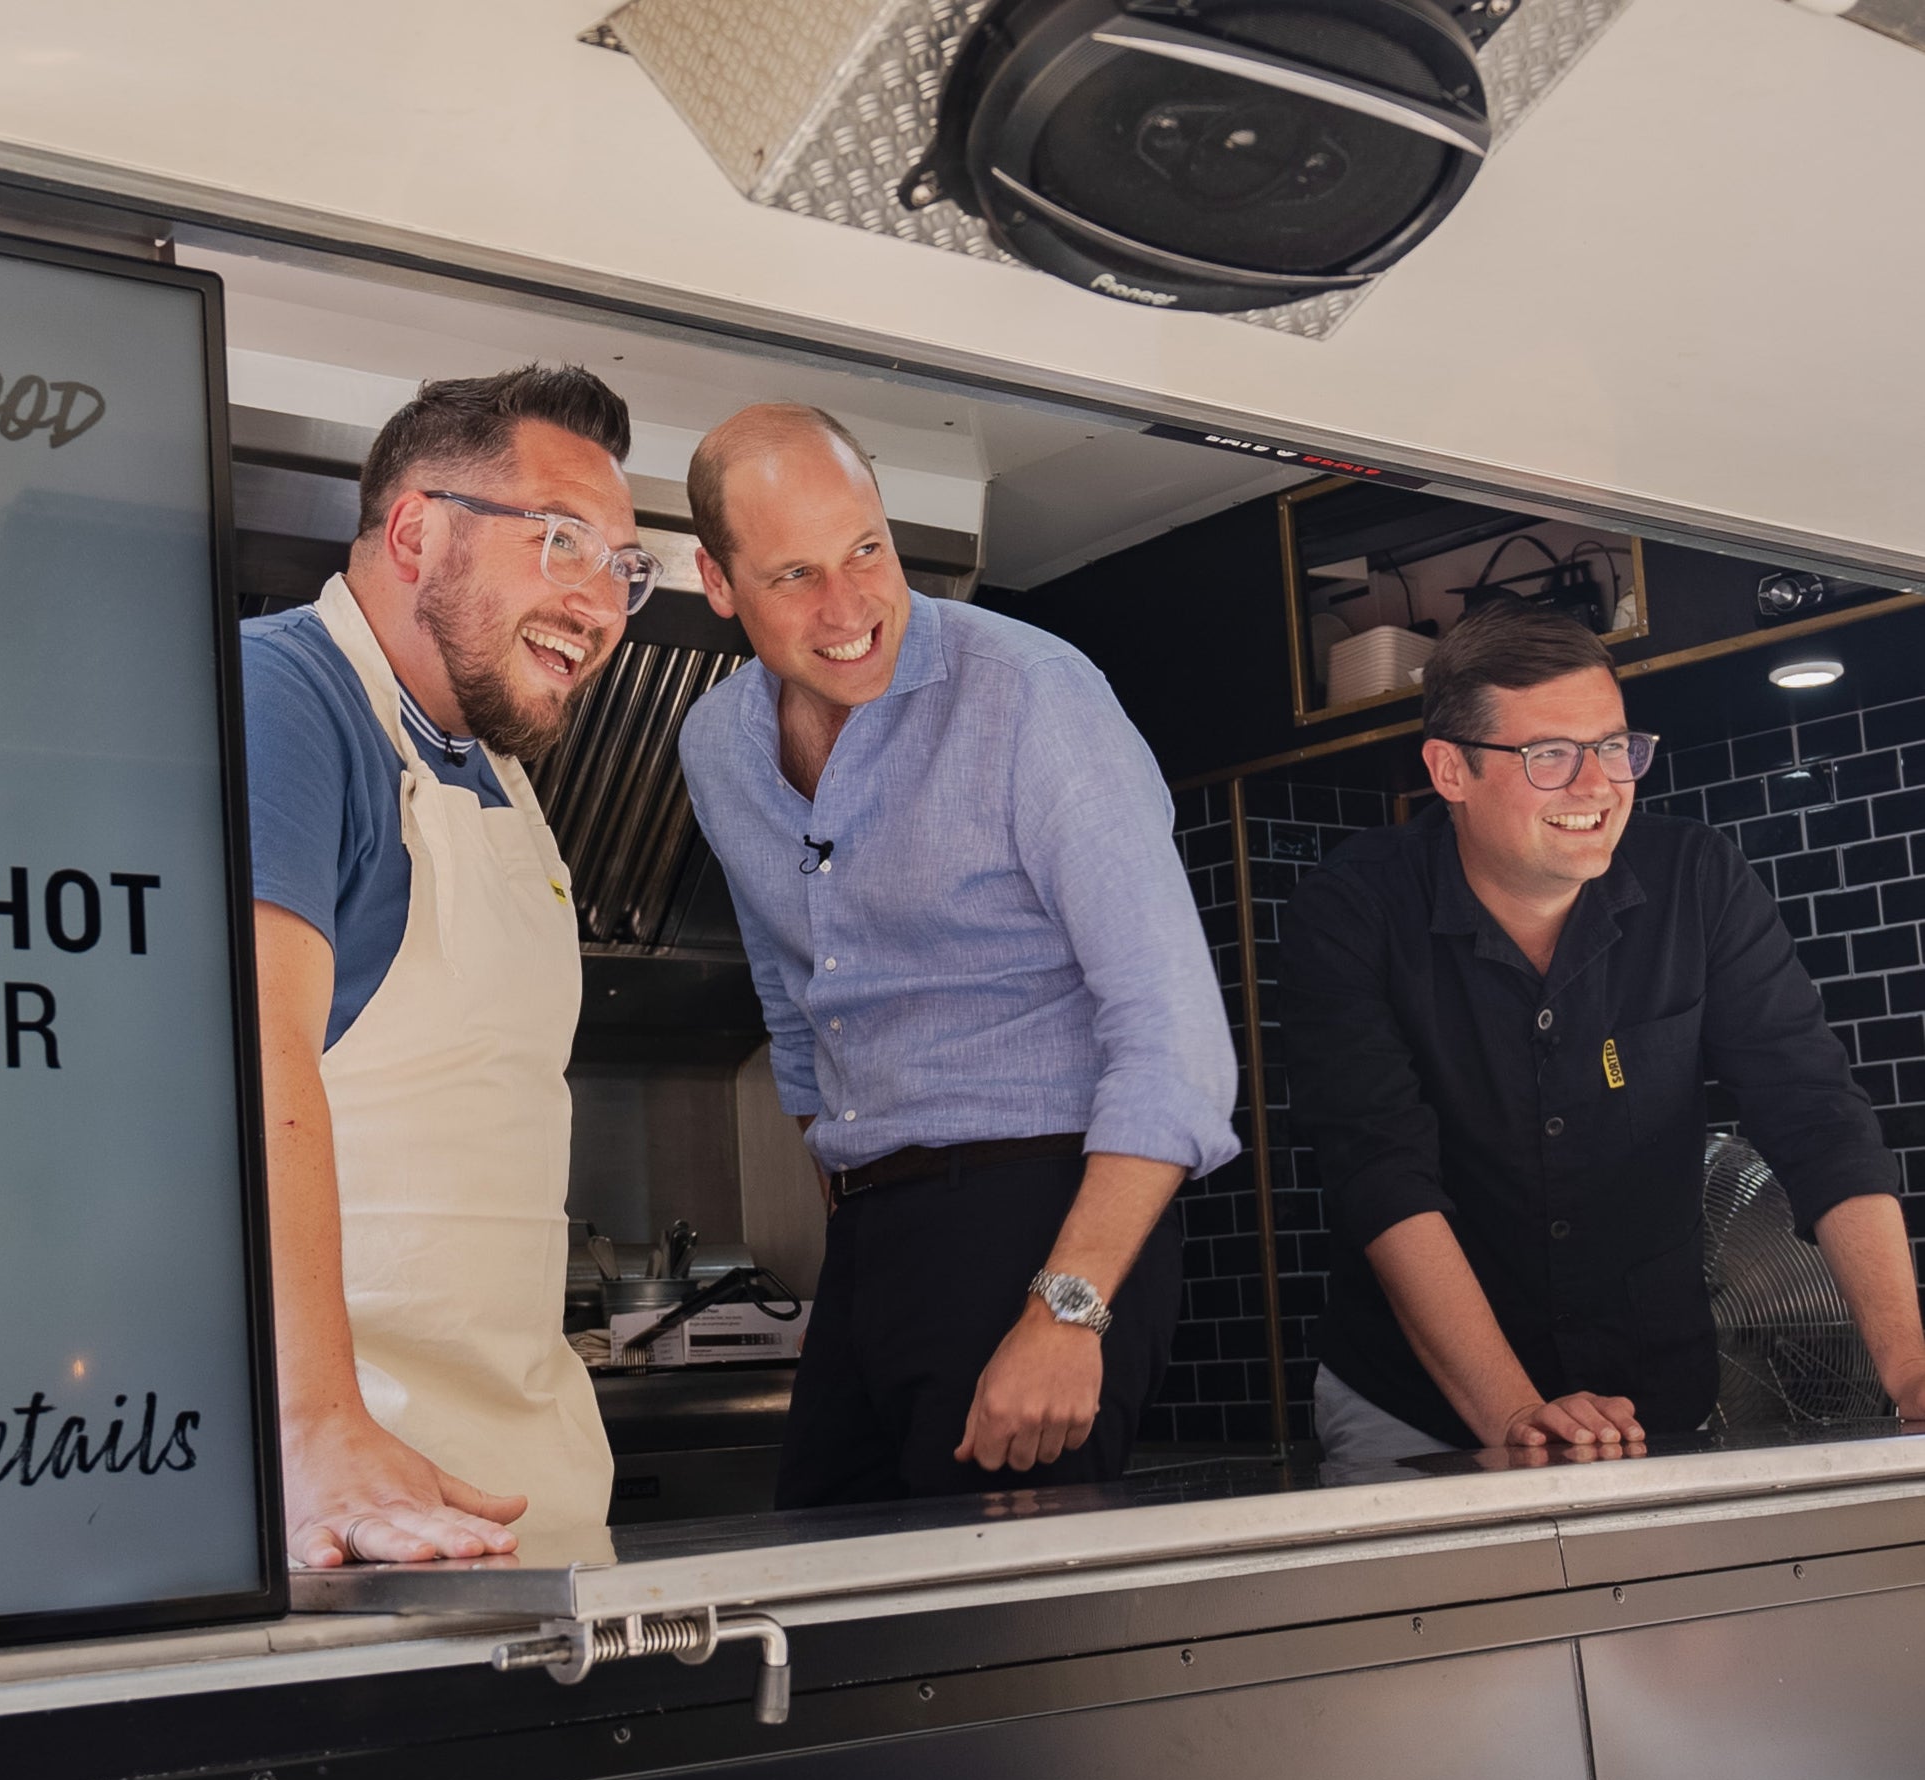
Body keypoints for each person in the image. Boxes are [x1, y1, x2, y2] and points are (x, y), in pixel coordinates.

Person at [674, 403, 1238, 1507]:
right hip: (873, 1234)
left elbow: (1178, 1043)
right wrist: (850, 1209)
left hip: (1048, 1215)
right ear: (717, 580)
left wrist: (1065, 1310)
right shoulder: (715, 744)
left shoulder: (1034, 694)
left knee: (995, 1649)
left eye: (866, 550)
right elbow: (798, 1007)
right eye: (794, 575)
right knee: (832, 1602)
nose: (849, 610)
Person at [1281, 604, 1925, 1470]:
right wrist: (1514, 1414)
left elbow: (1816, 1117)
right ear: (1450, 770)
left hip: (1655, 1398)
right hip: (1414, 1408)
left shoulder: (1696, 880)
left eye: (1615, 747)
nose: (1598, 785)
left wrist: (1914, 1371)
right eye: (1550, 755)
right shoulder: (1352, 911)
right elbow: (1381, 1176)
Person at [243, 364, 660, 1565]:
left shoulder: (499, 775)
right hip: (360, 1513)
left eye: (623, 569)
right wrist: (314, 1425)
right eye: (564, 541)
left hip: (532, 1497)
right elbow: (243, 1061)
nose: (602, 602)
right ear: (418, 530)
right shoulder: (287, 698)